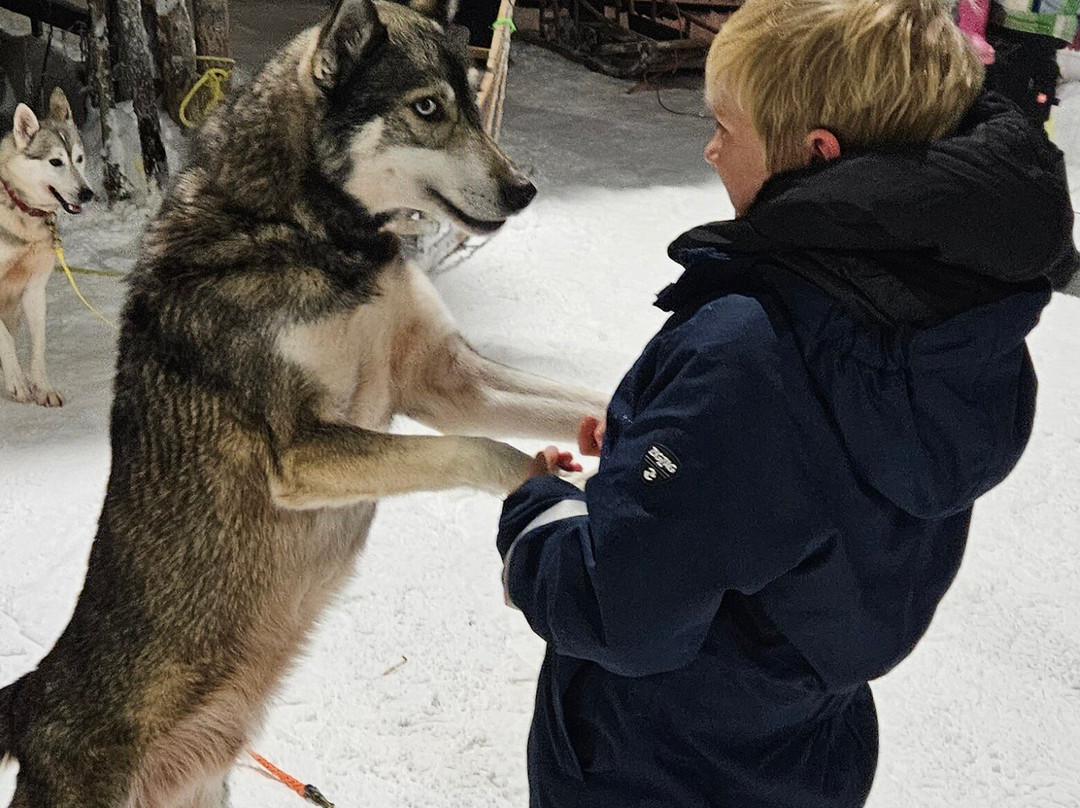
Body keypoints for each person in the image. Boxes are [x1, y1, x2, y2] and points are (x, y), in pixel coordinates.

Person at [496, 0, 1080, 806]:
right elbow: (809, 490)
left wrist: (540, 513)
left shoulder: (753, 347)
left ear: (817, 153)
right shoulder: (950, 324)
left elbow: (620, 609)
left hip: (656, 764)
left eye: (724, 128)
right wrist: (658, 450)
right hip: (801, 755)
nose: (707, 149)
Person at [957, 0, 1080, 124]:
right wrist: (972, 28)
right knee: (996, 111)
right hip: (1007, 31)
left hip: (1047, 38)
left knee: (1030, 114)